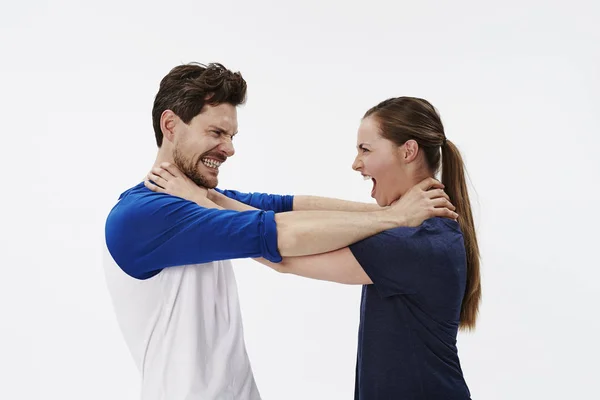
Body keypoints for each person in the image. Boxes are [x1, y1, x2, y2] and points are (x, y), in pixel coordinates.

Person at [102, 63, 458, 400]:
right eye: (216, 132)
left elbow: (289, 207)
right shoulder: (143, 217)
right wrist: (394, 217)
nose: (229, 148)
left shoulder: (200, 197)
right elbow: (279, 234)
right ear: (170, 126)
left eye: (231, 135)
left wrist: (403, 211)